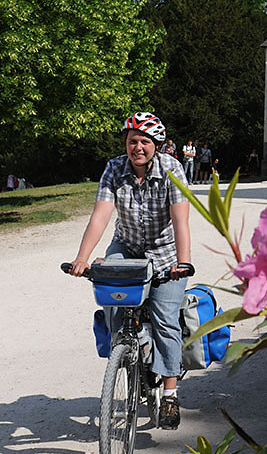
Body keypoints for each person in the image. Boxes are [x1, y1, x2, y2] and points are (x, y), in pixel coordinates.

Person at [69, 112, 191, 430]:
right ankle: (126, 355)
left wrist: (183, 260)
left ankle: (169, 395)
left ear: (157, 146)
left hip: (164, 254)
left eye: (145, 142)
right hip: (126, 247)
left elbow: (181, 221)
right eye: (132, 141)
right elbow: (101, 216)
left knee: (165, 318)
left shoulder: (172, 169)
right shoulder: (114, 168)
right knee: (112, 304)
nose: (138, 147)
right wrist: (83, 258)